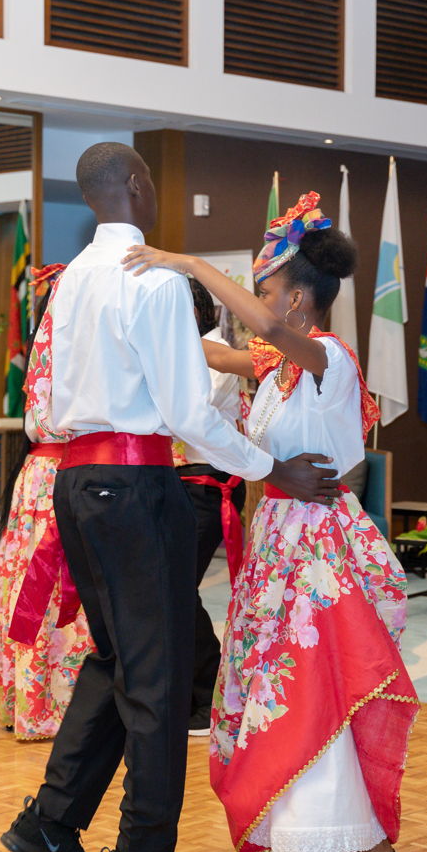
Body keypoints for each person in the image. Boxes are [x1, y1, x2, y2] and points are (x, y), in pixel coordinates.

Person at [0, 143, 338, 852]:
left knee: (115, 659)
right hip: (134, 483)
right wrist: (268, 469)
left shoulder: (72, 279)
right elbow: (186, 412)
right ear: (139, 187)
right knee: (156, 674)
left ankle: (52, 822)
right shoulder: (147, 279)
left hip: (77, 482)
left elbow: (54, 396)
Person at [125, 191, 419, 852]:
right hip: (281, 540)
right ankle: (295, 834)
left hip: (320, 547)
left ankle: (366, 844)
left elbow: (249, 329)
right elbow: (213, 354)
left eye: (266, 291)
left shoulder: (327, 357)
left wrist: (188, 261)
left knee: (319, 684)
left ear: (294, 303)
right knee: (271, 687)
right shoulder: (277, 368)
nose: (258, 304)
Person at [0, 265, 98, 741]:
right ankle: (55, 703)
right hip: (63, 473)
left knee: (36, 585)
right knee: (52, 587)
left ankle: (31, 700)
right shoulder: (83, 353)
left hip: (40, 474)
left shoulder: (47, 350)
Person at [172, 277, 247, 737]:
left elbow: (190, 417)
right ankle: (190, 689)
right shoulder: (177, 350)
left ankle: (207, 695)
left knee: (177, 587)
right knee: (168, 587)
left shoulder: (215, 351)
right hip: (176, 481)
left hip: (206, 484)